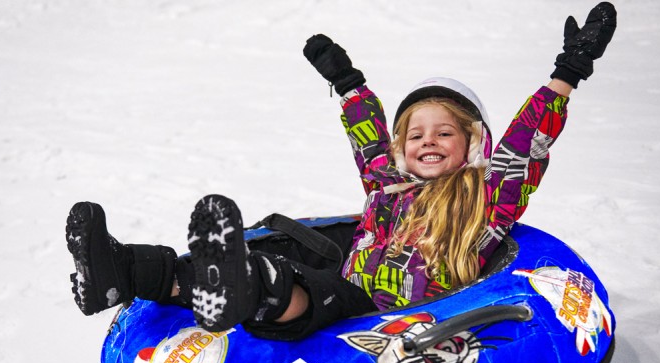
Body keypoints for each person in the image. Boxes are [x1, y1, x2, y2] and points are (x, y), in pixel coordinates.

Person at [66, 3, 616, 340]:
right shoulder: (387, 183)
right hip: (352, 286)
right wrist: (349, 83)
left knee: (307, 292)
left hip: (403, 317)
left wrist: (566, 75)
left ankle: (249, 288)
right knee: (294, 268)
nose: (427, 142)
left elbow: (528, 146)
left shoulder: (486, 195)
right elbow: (368, 137)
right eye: (416, 134)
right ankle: (125, 271)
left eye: (444, 133)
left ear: (473, 144)